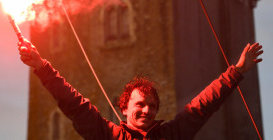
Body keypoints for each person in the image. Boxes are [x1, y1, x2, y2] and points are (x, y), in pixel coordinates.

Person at [18, 40, 263, 140]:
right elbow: (74, 105)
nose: (147, 110)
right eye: (140, 105)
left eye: (152, 106)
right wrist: (41, 66)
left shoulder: (171, 135)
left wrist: (237, 71)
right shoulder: (108, 135)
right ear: (124, 108)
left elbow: (202, 106)